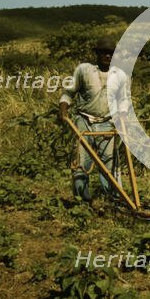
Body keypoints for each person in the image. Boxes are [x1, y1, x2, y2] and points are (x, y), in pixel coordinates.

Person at [58, 36, 129, 203]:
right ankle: (82, 201)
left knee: (109, 164)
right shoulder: (84, 70)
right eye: (104, 53)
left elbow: (124, 99)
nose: (107, 56)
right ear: (97, 54)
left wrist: (123, 114)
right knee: (82, 162)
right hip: (84, 121)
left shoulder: (120, 75)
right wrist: (63, 109)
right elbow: (68, 92)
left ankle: (113, 200)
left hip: (107, 122)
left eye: (111, 53)